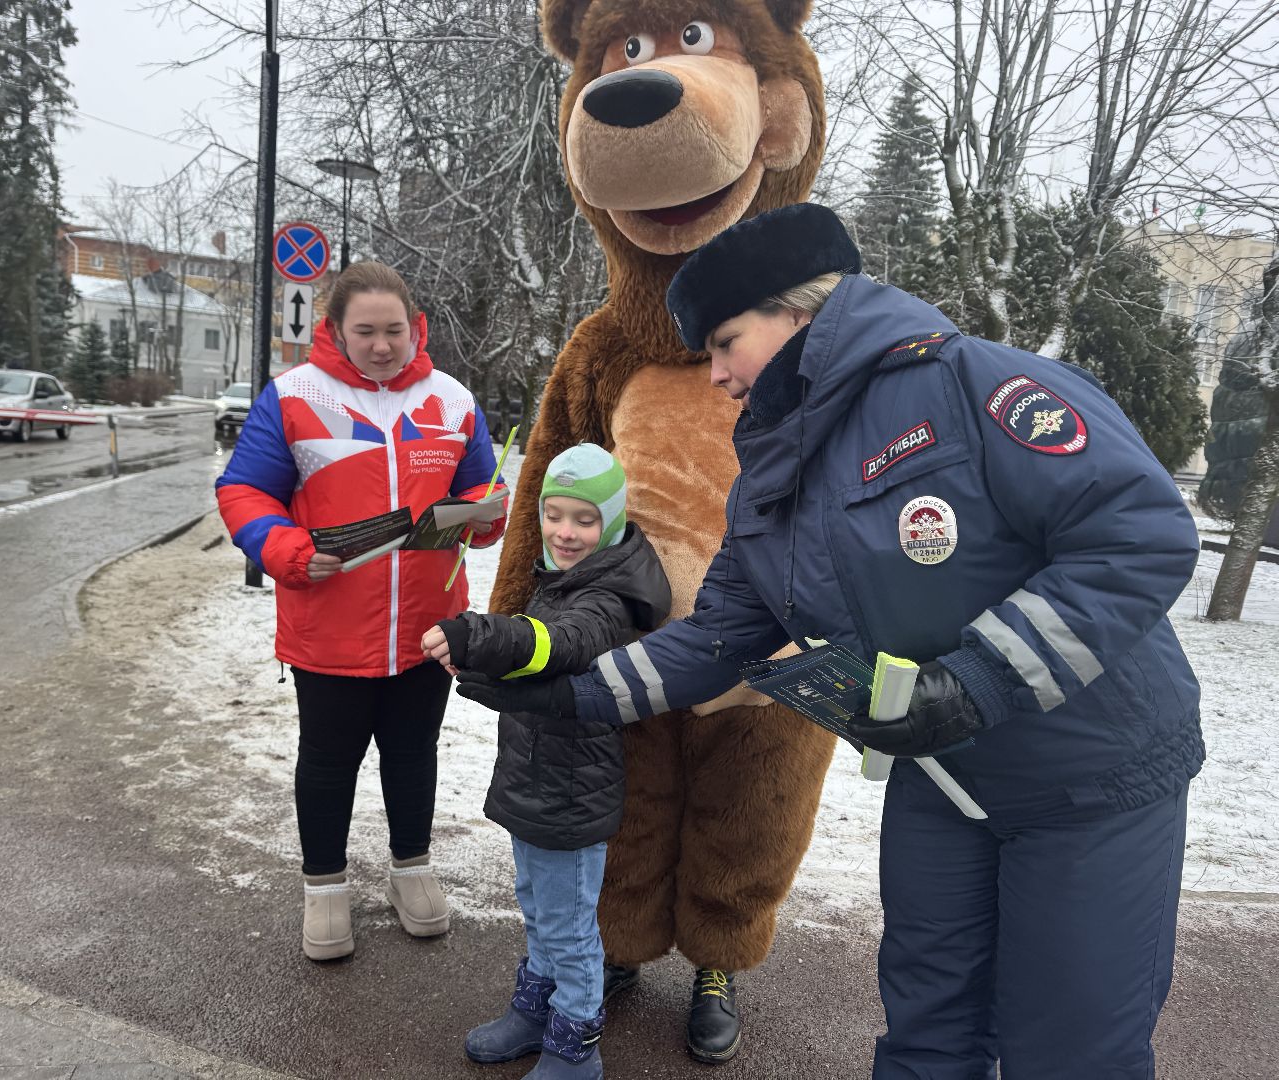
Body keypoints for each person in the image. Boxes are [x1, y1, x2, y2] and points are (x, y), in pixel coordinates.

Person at [456, 204, 1203, 1079]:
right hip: (943, 779)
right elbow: (722, 634)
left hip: (1089, 776)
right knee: (928, 1026)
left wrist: (976, 682)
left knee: (1069, 1046)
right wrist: (571, 693)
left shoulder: (976, 384)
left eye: (726, 343)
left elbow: (1139, 533)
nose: (719, 378)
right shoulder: (773, 471)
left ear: (799, 311)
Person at [215, 260, 508, 961]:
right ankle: (325, 889)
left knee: (413, 755)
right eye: (366, 331)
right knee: (328, 761)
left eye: (394, 330)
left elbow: (482, 492)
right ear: (336, 330)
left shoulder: (452, 400)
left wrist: (487, 515)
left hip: (429, 627)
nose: (382, 345)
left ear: (417, 328)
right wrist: (282, 547)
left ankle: (411, 870)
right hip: (329, 626)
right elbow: (244, 492)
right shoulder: (293, 396)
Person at [421, 443, 670, 1080]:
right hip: (537, 780)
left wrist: (480, 636)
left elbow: (562, 644)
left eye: (584, 519)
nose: (566, 532)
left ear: (611, 521)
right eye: (555, 515)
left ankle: (575, 1046)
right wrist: (486, 660)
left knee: (568, 927)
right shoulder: (563, 577)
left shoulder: (606, 597)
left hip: (570, 792)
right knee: (538, 906)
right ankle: (536, 1010)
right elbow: (535, 655)